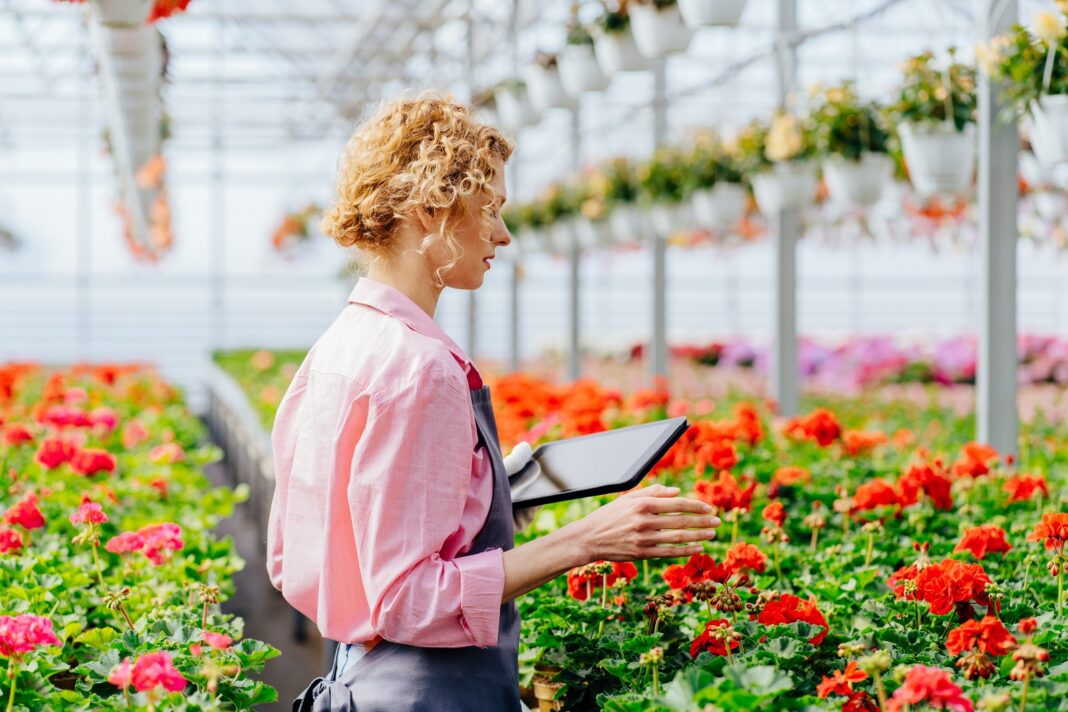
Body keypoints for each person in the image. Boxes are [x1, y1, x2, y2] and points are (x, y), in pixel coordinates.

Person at [266, 94, 720, 712]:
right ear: (431, 210)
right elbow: (405, 598)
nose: (503, 235)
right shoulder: (420, 368)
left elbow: (299, 556)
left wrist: (485, 505)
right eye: (491, 210)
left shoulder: (339, 346)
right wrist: (587, 539)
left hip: (358, 677)